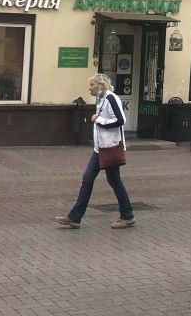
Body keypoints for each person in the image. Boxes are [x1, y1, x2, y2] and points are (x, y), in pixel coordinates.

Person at [56, 74, 135, 229]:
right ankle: (75, 218)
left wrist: (99, 120)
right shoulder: (101, 99)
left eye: (92, 85)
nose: (89, 88)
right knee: (88, 179)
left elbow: (121, 120)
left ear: (101, 85)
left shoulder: (111, 98)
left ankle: (127, 216)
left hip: (110, 148)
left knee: (113, 181)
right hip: (100, 148)